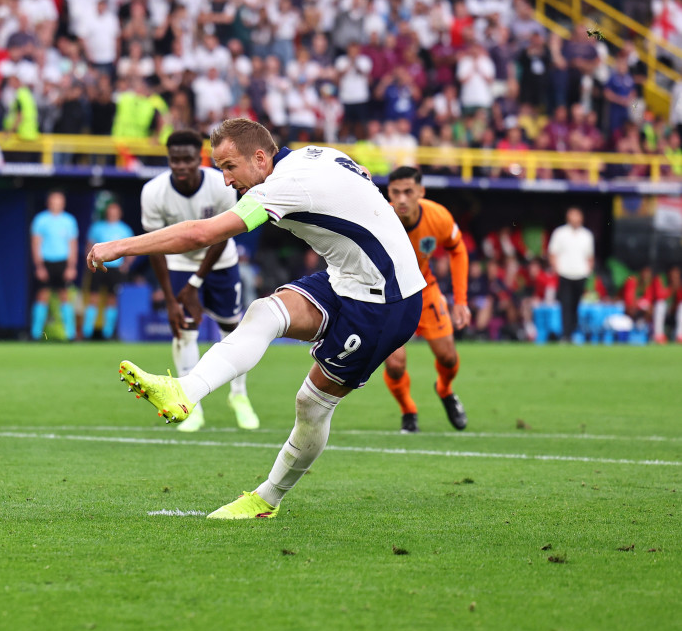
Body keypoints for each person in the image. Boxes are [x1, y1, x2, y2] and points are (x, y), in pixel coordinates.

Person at [87, 119, 425, 519]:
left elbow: (202, 234)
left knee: (312, 405)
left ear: (261, 158)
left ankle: (267, 499)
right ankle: (185, 391)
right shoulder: (314, 154)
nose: (226, 180)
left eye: (230, 166)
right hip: (345, 278)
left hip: (385, 300)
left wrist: (120, 246)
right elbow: (362, 175)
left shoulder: (281, 186)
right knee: (263, 311)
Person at [140, 130, 259, 432]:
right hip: (178, 263)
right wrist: (170, 298)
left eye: (187, 159)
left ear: (199, 159)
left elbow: (223, 234)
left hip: (219, 262)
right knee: (184, 331)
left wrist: (195, 283)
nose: (180, 166)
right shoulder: (153, 192)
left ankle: (239, 395)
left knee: (232, 329)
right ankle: (189, 405)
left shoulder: (220, 186)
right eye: (174, 160)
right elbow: (154, 248)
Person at [380, 167, 471, 434]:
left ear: (421, 191)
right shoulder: (380, 218)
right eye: (396, 192)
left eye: (409, 192)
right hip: (391, 296)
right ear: (389, 193)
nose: (402, 199)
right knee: (395, 364)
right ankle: (408, 411)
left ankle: (444, 390)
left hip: (425, 290)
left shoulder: (438, 216)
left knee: (448, 357)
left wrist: (461, 300)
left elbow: (458, 250)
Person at [30, 190, 78, 341]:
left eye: (59, 200)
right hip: (46, 262)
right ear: (49, 202)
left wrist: (71, 266)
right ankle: (35, 335)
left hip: (63, 262)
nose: (56, 203)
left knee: (65, 296)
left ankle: (70, 335)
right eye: (53, 200)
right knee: (42, 295)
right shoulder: (40, 220)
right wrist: (39, 266)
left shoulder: (69, 221)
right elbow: (36, 243)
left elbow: (73, 245)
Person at [83, 200, 133, 341]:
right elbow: (89, 246)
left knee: (112, 299)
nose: (112, 214)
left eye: (115, 211)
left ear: (119, 213)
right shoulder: (97, 228)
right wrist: (90, 262)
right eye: (110, 211)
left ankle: (107, 333)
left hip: (116, 269)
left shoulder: (125, 229)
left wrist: (126, 264)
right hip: (99, 266)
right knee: (93, 297)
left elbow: (132, 248)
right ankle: (88, 332)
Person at [547, 207, 595, 342]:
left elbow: (590, 256)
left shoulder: (586, 235)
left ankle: (572, 332)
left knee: (576, 305)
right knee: (565, 305)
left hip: (581, 274)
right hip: (565, 274)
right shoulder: (560, 233)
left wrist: (588, 271)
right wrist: (557, 269)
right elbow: (553, 253)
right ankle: (566, 335)